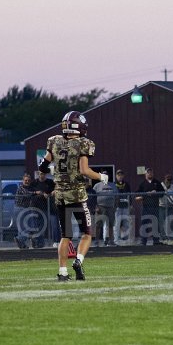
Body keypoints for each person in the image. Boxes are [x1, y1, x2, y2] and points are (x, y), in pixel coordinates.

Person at [40, 110, 108, 281]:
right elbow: (84, 170)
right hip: (77, 195)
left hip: (60, 196)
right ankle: (78, 260)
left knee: (66, 235)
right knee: (87, 233)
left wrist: (54, 171)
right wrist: (101, 177)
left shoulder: (54, 141)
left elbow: (42, 167)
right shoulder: (83, 143)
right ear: (80, 126)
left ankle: (62, 272)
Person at [135, 167, 165, 246]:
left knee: (155, 224)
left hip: (155, 206)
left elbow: (162, 193)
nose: (150, 174)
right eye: (148, 172)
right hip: (146, 207)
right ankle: (143, 241)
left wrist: (156, 192)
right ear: (145, 174)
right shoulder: (142, 183)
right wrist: (145, 194)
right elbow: (137, 195)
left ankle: (156, 241)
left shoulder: (157, 182)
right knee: (144, 223)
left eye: (151, 172)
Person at [14, 173, 39, 249]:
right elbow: (26, 194)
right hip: (20, 209)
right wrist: (35, 193)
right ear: (23, 181)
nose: (27, 182)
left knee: (23, 229)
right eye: (25, 180)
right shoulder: (21, 188)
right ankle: (20, 239)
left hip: (26, 209)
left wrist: (41, 193)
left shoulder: (30, 188)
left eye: (28, 180)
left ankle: (22, 245)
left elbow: (36, 193)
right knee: (26, 228)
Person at [92, 173, 118, 246]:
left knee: (111, 225)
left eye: (106, 175)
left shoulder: (113, 185)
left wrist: (115, 207)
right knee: (98, 225)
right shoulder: (97, 185)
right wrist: (96, 207)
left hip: (110, 207)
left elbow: (117, 197)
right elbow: (93, 197)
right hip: (100, 207)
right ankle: (96, 241)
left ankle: (111, 241)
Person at [114, 169, 132, 244]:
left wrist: (131, 205)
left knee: (126, 223)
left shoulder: (126, 184)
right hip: (117, 207)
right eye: (118, 175)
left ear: (123, 176)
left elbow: (130, 195)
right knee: (117, 223)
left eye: (121, 175)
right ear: (116, 176)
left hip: (125, 206)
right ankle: (116, 239)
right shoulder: (114, 184)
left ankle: (125, 238)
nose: (120, 176)